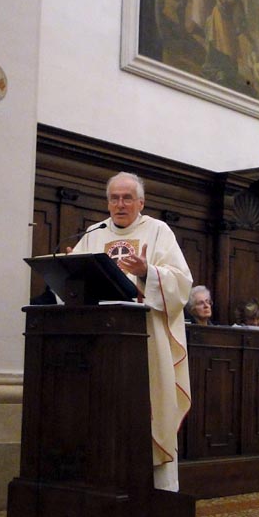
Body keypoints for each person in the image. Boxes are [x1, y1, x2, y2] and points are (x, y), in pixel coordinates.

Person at [70, 171, 193, 492]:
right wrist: (73, 269)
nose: (120, 204)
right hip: (101, 340)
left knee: (150, 407)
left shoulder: (158, 231)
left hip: (146, 338)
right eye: (114, 198)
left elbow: (182, 283)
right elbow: (73, 288)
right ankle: (101, 481)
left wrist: (147, 271)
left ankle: (157, 490)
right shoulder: (94, 233)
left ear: (141, 202)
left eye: (127, 198)